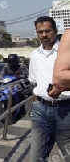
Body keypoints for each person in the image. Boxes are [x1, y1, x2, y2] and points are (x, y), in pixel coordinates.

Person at [28, 16, 70, 162]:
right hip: (40, 110)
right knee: (35, 157)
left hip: (65, 110)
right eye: (40, 32)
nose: (44, 35)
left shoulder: (66, 52)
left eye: (47, 31)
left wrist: (63, 87)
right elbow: (35, 83)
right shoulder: (34, 55)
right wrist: (35, 105)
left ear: (55, 31)